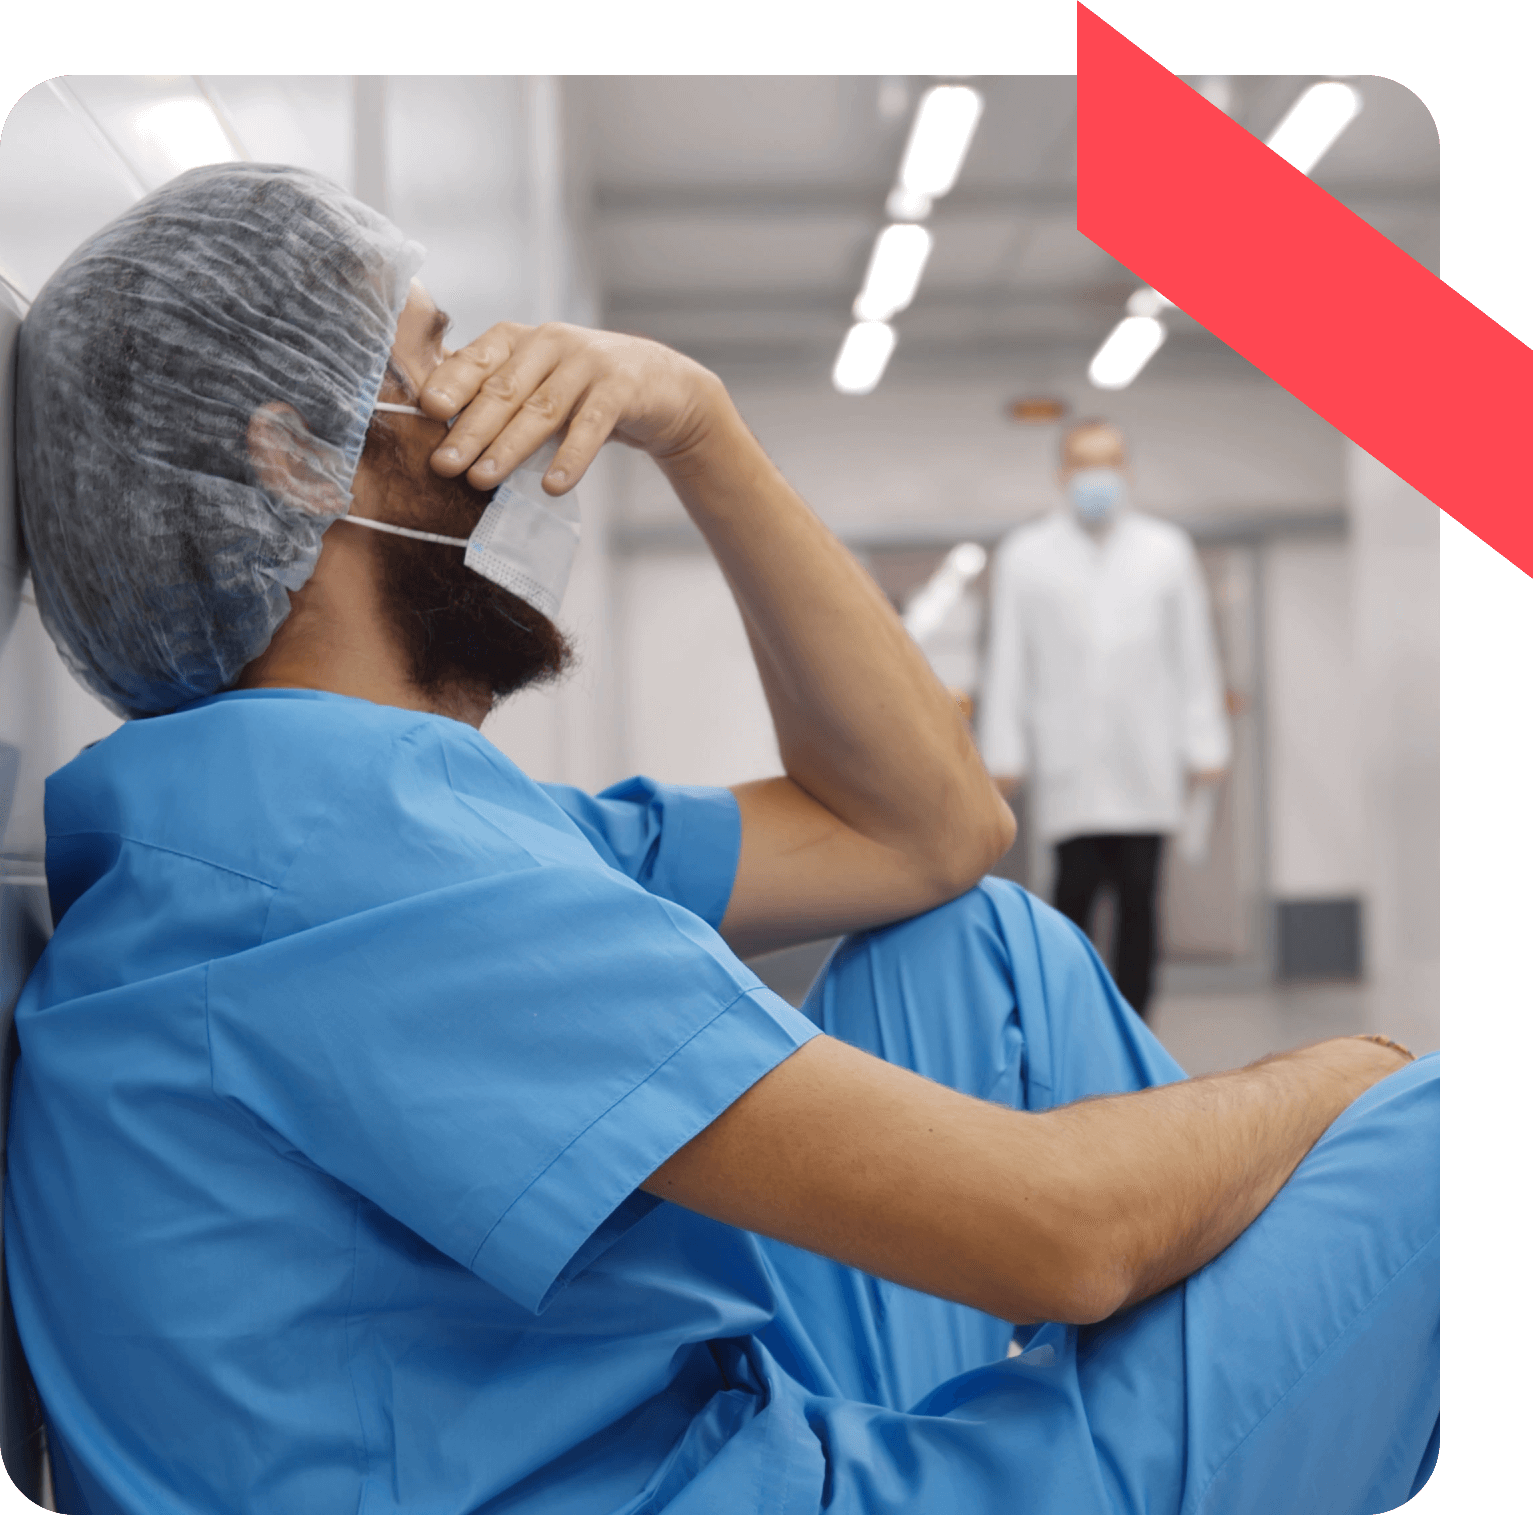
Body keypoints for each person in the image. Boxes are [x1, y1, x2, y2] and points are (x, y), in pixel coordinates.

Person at [5, 165, 1436, 1515]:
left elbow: (929, 831)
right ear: (301, 455)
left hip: (672, 1433)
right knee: (1417, 1137)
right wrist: (1352, 1070)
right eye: (435, 349)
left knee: (978, 943)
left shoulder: (290, 822)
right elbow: (1062, 1233)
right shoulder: (352, 865)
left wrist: (698, 421)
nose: (489, 381)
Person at [978, 421, 1232, 1016]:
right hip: (1070, 766)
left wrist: (1205, 742)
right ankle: (1069, 1022)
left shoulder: (1166, 550)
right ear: (1062, 474)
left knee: (1141, 903)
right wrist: (1005, 751)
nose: (1097, 475)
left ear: (1128, 470)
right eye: (1083, 462)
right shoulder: (1026, 555)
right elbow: (1008, 661)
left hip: (1147, 761)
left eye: (1109, 461)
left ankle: (1137, 1025)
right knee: (1070, 902)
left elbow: (1193, 652)